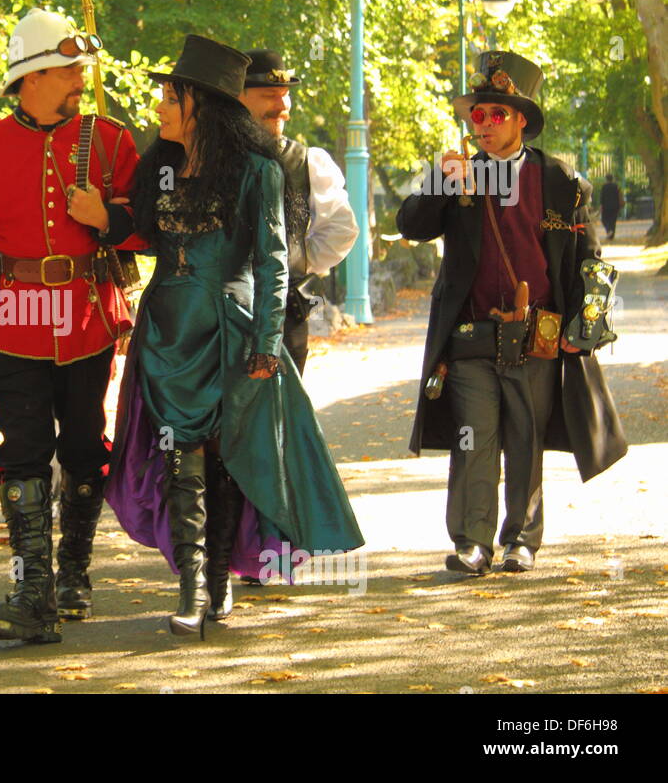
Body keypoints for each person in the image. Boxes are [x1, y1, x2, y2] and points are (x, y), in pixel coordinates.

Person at [89, 35, 363, 638]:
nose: (159, 106)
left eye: (170, 95)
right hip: (165, 332)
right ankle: (189, 589)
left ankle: (216, 580)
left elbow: (272, 261)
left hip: (232, 332)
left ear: (201, 104)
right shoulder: (156, 166)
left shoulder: (258, 171)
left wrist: (268, 342)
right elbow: (139, 235)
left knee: (228, 460)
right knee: (178, 460)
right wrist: (101, 220)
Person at [0, 8, 142, 644]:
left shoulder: (110, 140)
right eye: (66, 70)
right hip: (10, 322)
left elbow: (146, 227)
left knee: (85, 449)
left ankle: (74, 576)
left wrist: (105, 219)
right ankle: (32, 590)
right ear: (31, 78)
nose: (78, 79)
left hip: (86, 316)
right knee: (23, 453)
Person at [397, 51, 627, 575]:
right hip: (470, 333)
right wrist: (439, 183)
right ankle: (472, 541)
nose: (483, 124)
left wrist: (582, 329)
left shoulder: (562, 181)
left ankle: (521, 539)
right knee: (473, 437)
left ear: (522, 119)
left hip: (537, 335)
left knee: (525, 438)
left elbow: (590, 261)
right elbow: (410, 224)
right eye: (476, 115)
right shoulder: (455, 173)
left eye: (496, 114)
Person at [237, 49, 358, 374]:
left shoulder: (306, 161)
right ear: (239, 97)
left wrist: (296, 263)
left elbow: (340, 231)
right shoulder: (211, 157)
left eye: (284, 96)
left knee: (280, 417)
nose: (281, 107)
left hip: (284, 318)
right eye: (269, 96)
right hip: (221, 315)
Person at [599, 174, 622, 240]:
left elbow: (602, 197)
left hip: (606, 206)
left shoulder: (604, 187)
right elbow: (619, 196)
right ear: (612, 179)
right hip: (615, 206)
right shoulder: (616, 186)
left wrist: (601, 205)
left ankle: (609, 231)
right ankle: (611, 235)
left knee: (604, 220)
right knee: (613, 221)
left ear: (606, 179)